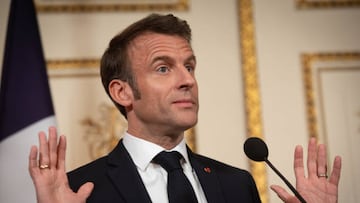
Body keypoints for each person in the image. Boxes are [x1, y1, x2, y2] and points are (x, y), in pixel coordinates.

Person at [28, 13, 342, 203]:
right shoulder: (80, 190)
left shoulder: (236, 185)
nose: (187, 80)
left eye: (189, 67)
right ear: (122, 92)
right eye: (163, 68)